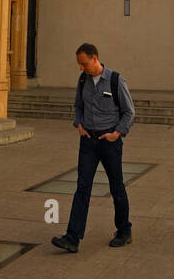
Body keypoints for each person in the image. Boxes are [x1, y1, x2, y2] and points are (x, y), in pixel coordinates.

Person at [51, 42, 136, 252]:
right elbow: (78, 106)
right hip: (88, 141)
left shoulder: (115, 80)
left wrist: (116, 133)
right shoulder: (83, 81)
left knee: (116, 187)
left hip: (109, 142)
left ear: (95, 58)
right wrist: (79, 123)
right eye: (79, 64)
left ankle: (124, 230)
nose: (81, 68)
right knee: (82, 188)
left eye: (84, 63)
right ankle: (72, 238)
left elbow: (129, 112)